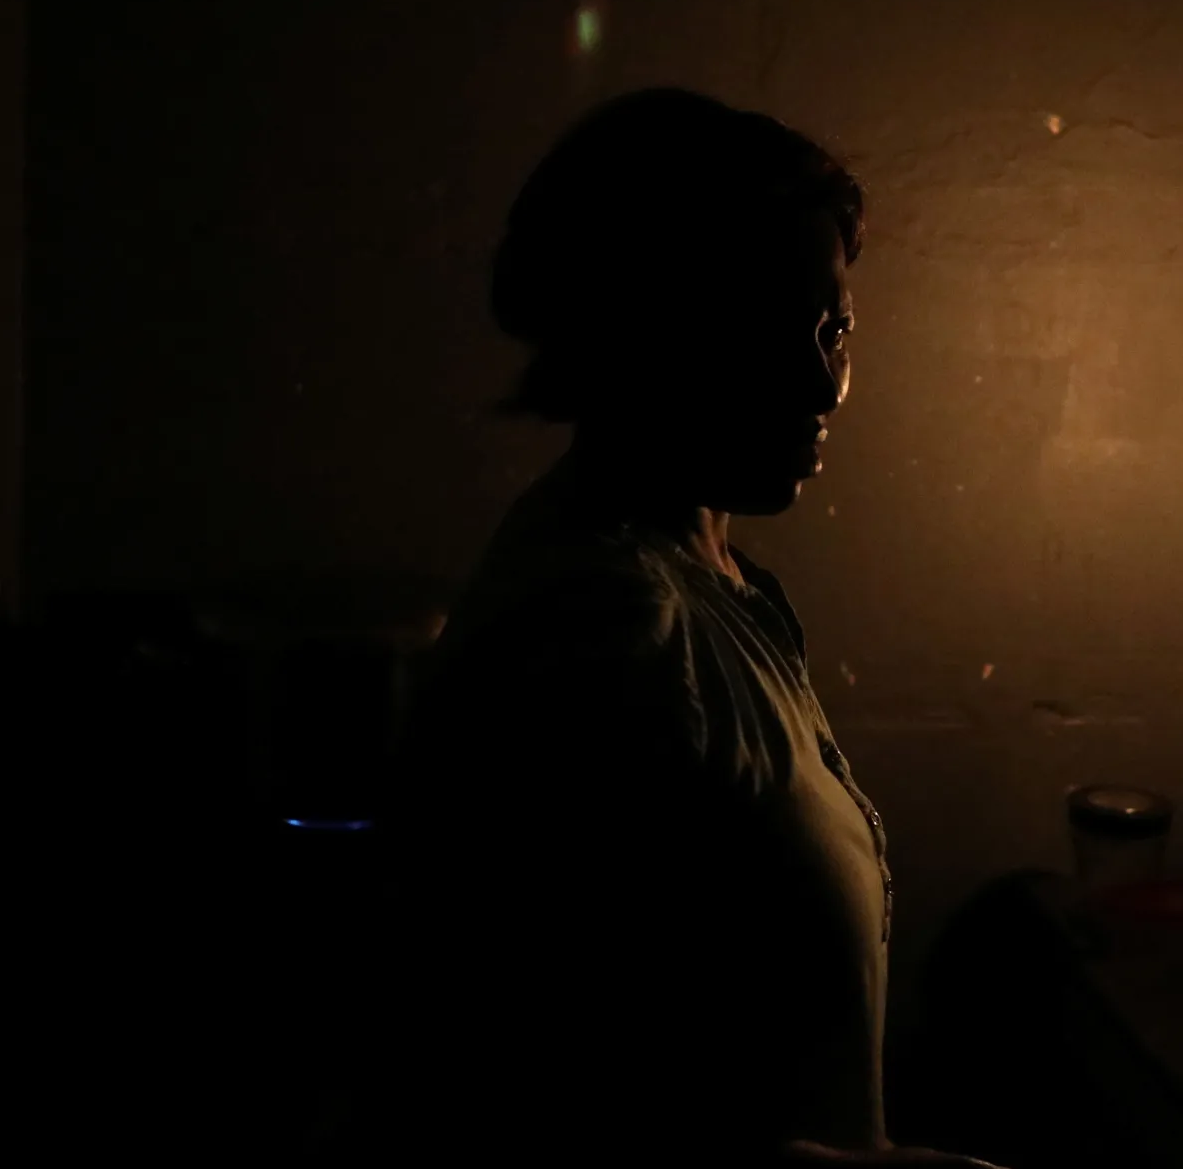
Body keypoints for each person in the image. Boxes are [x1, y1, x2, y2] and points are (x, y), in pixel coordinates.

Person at [342, 90, 997, 1168]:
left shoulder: (720, 590)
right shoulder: (604, 628)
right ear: (639, 328)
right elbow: (544, 1102)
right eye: (754, 324)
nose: (817, 380)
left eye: (832, 328)